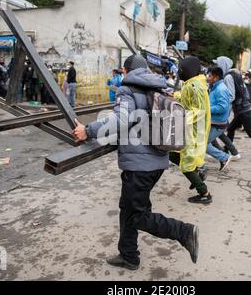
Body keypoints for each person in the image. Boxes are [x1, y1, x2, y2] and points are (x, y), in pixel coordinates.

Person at [72, 55, 199, 270]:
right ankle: (128, 255)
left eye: (123, 71)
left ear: (126, 70)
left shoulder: (128, 89)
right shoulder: (157, 87)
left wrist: (88, 130)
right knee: (128, 208)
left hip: (139, 166)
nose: (122, 74)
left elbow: (121, 120)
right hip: (157, 162)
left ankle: (184, 232)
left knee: (137, 215)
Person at [169, 56, 212, 205]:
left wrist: (178, 118)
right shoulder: (191, 84)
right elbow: (186, 98)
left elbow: (198, 110)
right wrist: (174, 96)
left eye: (180, 70)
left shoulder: (195, 86)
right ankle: (198, 173)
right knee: (172, 154)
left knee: (186, 165)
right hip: (188, 129)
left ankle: (204, 193)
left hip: (194, 131)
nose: (179, 73)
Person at [206, 66, 233, 171]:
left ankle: (224, 157)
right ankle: (223, 158)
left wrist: (207, 108)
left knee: (202, 145)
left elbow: (223, 107)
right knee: (204, 143)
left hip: (218, 123)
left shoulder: (221, 89)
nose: (208, 77)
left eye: (210, 75)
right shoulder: (215, 87)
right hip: (214, 121)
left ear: (216, 77)